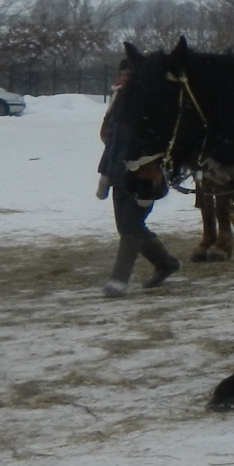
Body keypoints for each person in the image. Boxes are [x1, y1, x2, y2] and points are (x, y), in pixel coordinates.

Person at [97, 61, 180, 297]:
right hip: (117, 173)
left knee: (131, 226)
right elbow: (110, 142)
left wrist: (152, 173)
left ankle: (118, 280)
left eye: (129, 75)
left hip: (143, 176)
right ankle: (165, 263)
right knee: (125, 227)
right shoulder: (117, 101)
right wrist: (106, 171)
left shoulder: (150, 106)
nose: (124, 79)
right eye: (122, 74)